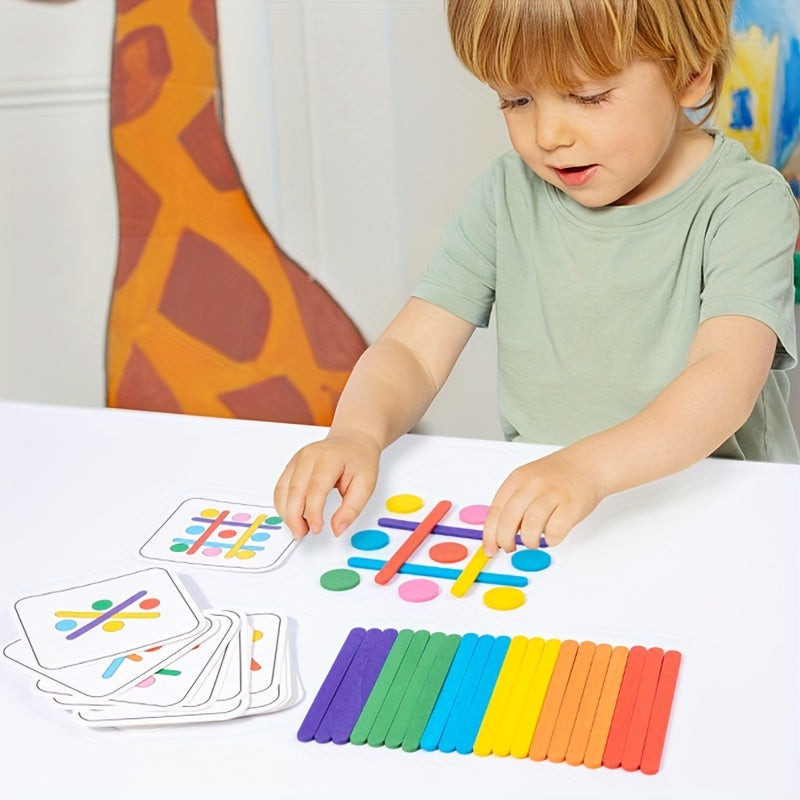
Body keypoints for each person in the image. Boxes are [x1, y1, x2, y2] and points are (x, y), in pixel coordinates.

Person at [274, 0, 799, 556]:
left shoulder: (746, 204)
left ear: (691, 74)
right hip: (560, 519)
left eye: (587, 96)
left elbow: (723, 377)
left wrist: (589, 468)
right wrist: (356, 432)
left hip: (720, 518)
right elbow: (413, 350)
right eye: (517, 100)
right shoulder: (505, 194)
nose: (547, 135)